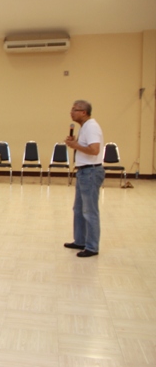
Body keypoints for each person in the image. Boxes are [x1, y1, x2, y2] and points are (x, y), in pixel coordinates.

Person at [64, 99, 105, 257]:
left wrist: (76, 146)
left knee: (89, 211)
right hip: (84, 171)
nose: (71, 112)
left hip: (91, 172)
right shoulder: (85, 127)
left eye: (74, 109)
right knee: (79, 209)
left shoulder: (91, 127)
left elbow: (94, 150)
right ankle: (80, 240)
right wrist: (76, 143)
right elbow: (86, 147)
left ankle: (92, 247)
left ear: (84, 112)